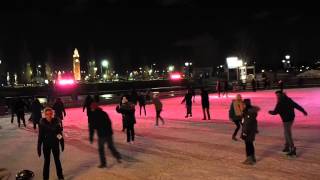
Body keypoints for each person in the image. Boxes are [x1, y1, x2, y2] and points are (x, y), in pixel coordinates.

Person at [269, 91, 308, 157]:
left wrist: (271, 112)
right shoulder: (288, 100)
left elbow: (275, 112)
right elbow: (296, 106)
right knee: (286, 132)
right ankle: (287, 146)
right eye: (276, 95)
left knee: (287, 133)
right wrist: (303, 111)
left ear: (281, 95)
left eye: (278, 95)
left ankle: (292, 149)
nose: (277, 96)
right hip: (291, 118)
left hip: (286, 120)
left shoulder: (280, 103)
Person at [89, 102, 122, 168]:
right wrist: (109, 131)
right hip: (108, 133)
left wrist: (91, 137)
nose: (91, 109)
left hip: (102, 135)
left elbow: (92, 127)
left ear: (93, 108)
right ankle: (117, 156)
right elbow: (109, 122)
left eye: (91, 107)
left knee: (101, 149)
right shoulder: (104, 113)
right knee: (111, 146)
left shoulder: (93, 115)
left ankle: (103, 163)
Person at [37, 108, 64, 180]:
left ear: (52, 114)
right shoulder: (42, 124)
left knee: (57, 160)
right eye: (47, 114)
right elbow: (40, 136)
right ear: (44, 115)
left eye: (50, 114)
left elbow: (59, 134)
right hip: (46, 145)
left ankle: (60, 176)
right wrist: (39, 147)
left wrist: (61, 142)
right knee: (47, 162)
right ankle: (45, 178)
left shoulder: (56, 123)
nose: (49, 116)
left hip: (55, 144)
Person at [241, 99, 260, 165]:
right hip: (251, 131)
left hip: (248, 132)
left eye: (243, 104)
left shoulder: (248, 113)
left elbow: (247, 124)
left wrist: (244, 133)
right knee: (250, 144)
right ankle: (252, 158)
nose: (242, 105)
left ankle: (249, 159)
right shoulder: (250, 112)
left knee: (248, 145)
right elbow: (254, 122)